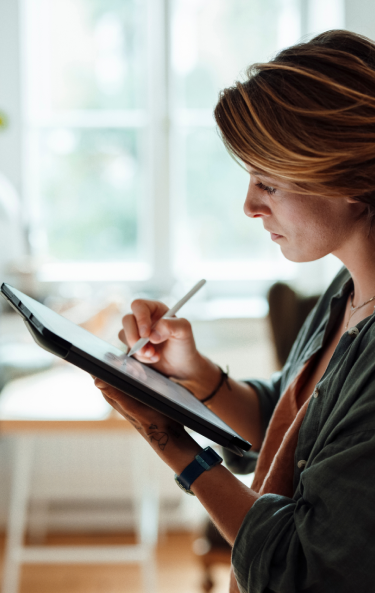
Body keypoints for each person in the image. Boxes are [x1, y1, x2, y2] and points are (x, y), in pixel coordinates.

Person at [94, 30, 375, 592]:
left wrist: (168, 438)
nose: (249, 206)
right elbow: (285, 422)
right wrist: (196, 376)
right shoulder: (346, 293)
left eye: (267, 182)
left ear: (346, 176)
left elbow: (301, 570)